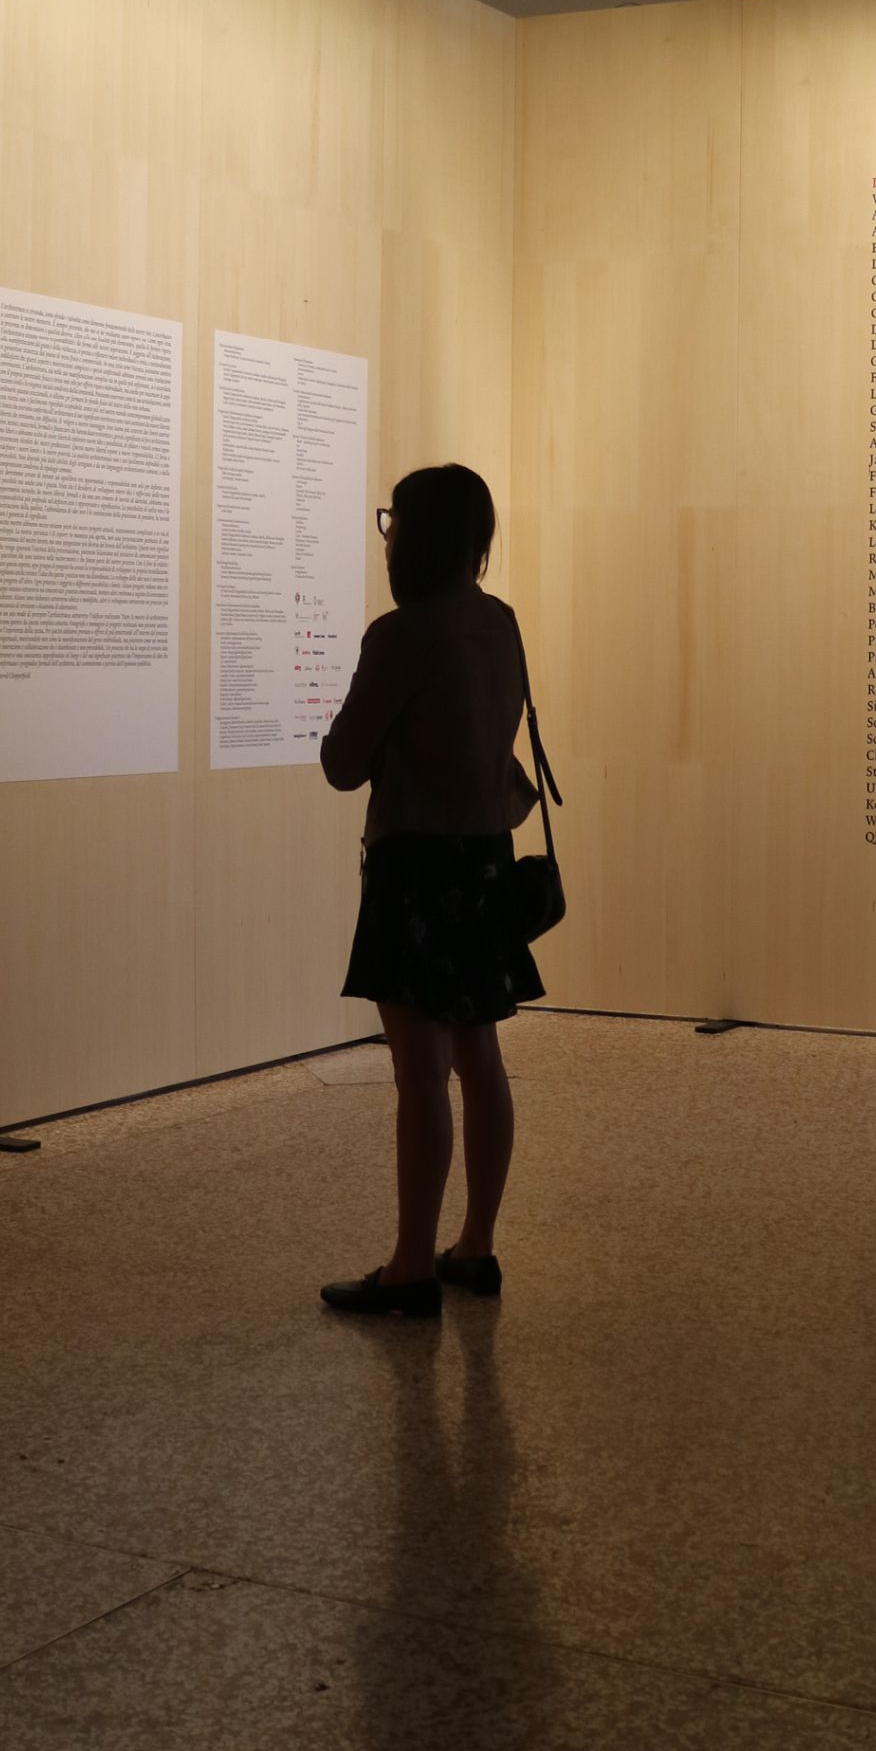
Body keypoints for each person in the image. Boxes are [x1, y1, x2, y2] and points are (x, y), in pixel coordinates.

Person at [315, 463, 543, 1318]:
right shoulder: (499, 622)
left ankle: (411, 1265)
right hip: (485, 863)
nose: (387, 541)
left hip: (415, 872)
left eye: (394, 524)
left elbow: (343, 763)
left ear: (419, 537)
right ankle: (475, 1244)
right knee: (480, 1059)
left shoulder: (401, 634)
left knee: (420, 1073)